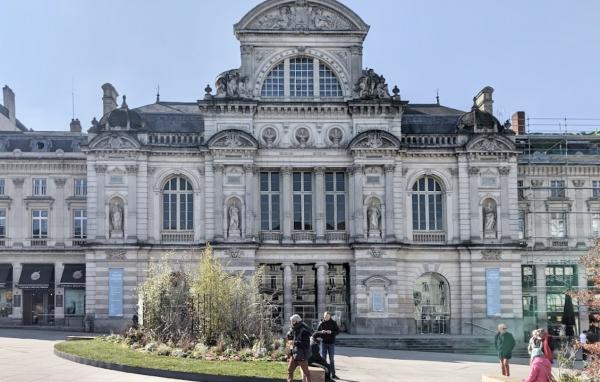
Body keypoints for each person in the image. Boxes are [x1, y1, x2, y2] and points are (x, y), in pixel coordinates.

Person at [285, 314, 312, 382]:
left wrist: (295, 343)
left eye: (293, 321)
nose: (291, 322)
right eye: (291, 321)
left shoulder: (304, 331)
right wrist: (290, 353)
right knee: (289, 371)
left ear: (297, 321)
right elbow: (290, 343)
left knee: (306, 373)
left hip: (302, 356)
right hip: (294, 355)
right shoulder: (292, 330)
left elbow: (306, 344)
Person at [317, 311, 340, 379]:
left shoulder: (333, 323)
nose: (325, 317)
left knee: (331, 359)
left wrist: (331, 332)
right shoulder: (321, 323)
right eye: (324, 316)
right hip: (324, 343)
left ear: (330, 316)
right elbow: (317, 332)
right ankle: (324, 374)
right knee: (323, 359)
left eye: (327, 316)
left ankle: (333, 374)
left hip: (331, 343)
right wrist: (322, 332)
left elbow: (337, 331)